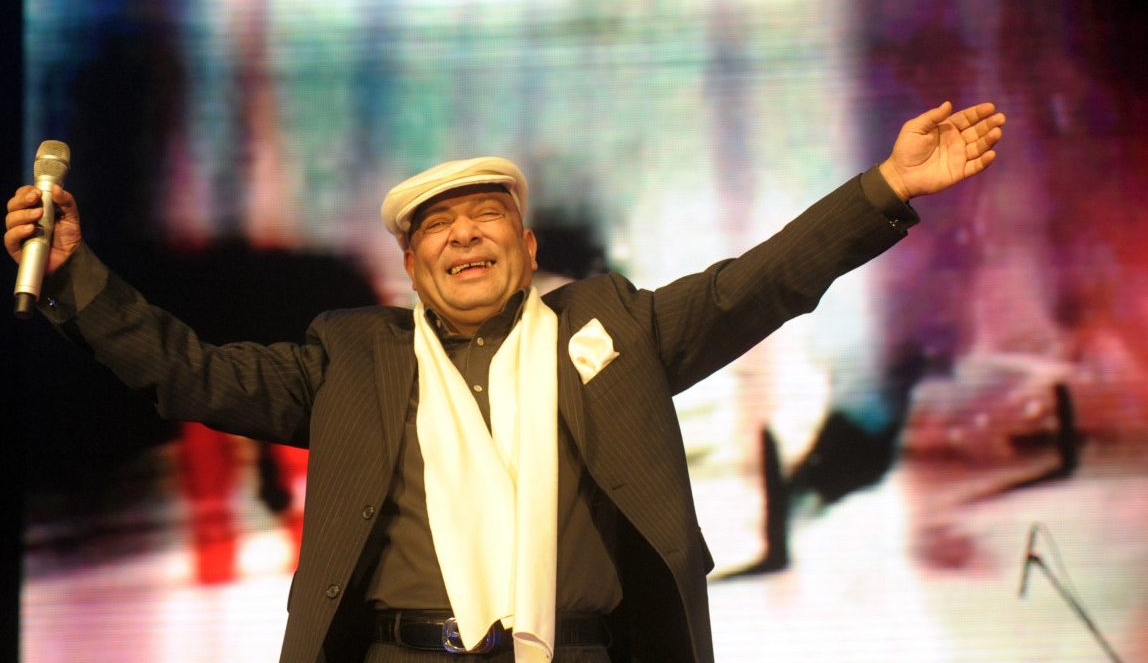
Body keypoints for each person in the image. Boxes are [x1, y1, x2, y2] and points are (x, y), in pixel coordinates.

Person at [6, 101, 1005, 663]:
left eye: (485, 216)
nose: (463, 235)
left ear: (526, 250)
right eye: (437, 228)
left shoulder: (613, 330)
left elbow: (762, 283)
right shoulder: (352, 356)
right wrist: (74, 277)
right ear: (411, 268)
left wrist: (885, 188)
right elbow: (186, 373)